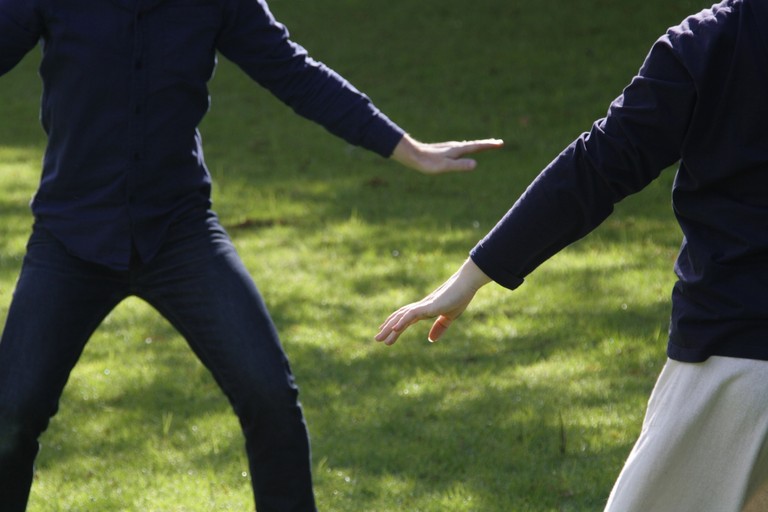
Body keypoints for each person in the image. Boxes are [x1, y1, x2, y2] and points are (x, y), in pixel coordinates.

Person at [0, 1, 502, 510]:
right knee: (11, 416)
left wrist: (408, 149)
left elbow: (294, 72)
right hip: (71, 236)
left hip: (179, 234)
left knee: (270, 400)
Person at [376, 0, 768, 510]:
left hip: (736, 365)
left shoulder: (714, 39)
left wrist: (471, 276)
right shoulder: (709, 42)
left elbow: (600, 164)